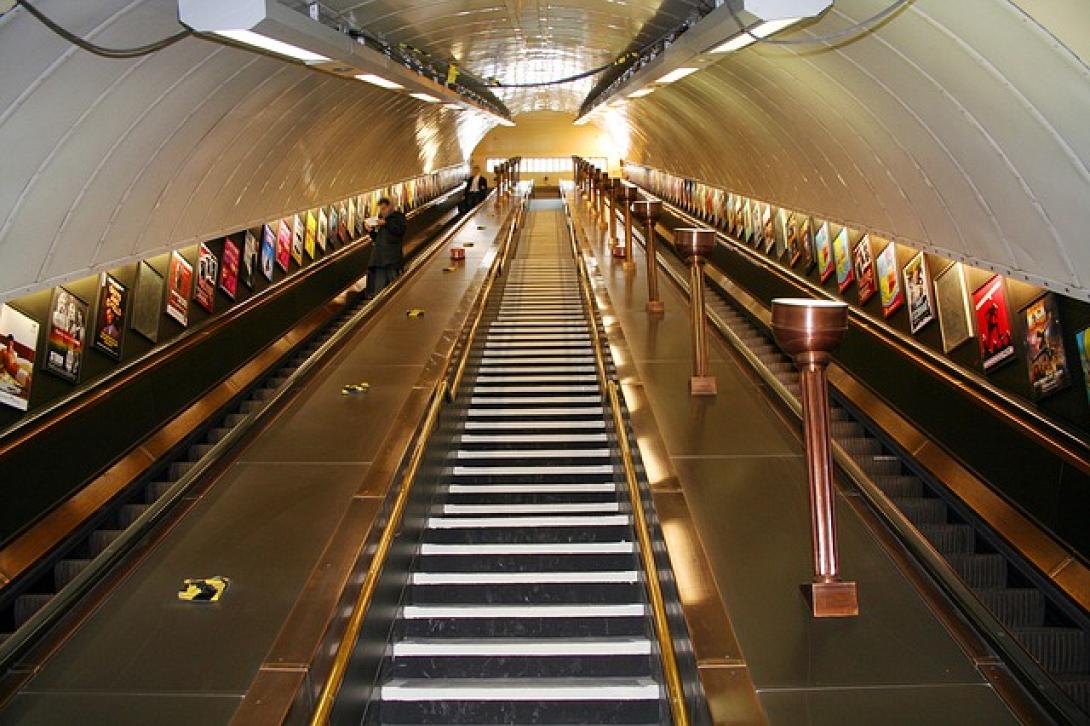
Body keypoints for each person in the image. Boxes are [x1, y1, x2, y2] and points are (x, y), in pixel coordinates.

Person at [364, 197, 406, 299]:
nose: (382, 212)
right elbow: (376, 238)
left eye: (384, 209)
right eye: (380, 209)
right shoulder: (380, 221)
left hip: (392, 260)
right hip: (379, 260)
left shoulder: (398, 217)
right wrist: (370, 231)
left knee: (395, 287)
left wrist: (386, 224)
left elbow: (399, 231)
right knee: (379, 290)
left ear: (390, 207)